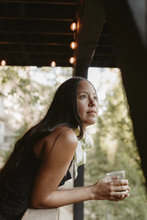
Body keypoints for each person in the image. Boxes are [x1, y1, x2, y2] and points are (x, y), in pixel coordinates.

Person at [0, 77, 130, 220]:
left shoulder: (56, 131)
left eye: (95, 97)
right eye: (83, 96)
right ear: (68, 103)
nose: (93, 103)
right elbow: (40, 199)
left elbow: (44, 189)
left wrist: (95, 187)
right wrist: (94, 192)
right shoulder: (65, 136)